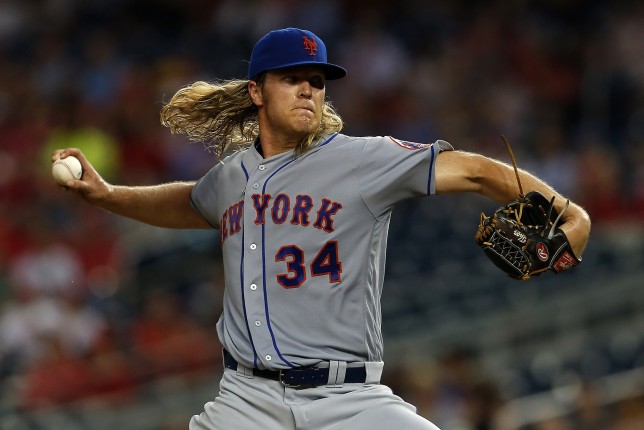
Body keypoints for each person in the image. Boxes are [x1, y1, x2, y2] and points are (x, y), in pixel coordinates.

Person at [52, 27, 591, 430]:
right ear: (257, 91)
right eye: (292, 79)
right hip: (246, 400)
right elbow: (192, 203)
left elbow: (474, 171)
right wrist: (108, 195)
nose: (308, 90)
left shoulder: (363, 160)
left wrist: (571, 213)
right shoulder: (232, 176)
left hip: (349, 401)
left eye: (317, 81)